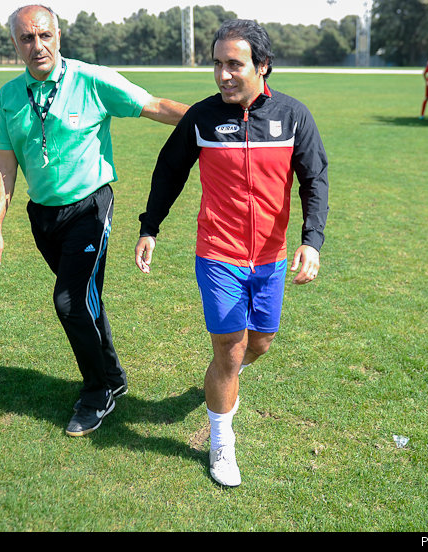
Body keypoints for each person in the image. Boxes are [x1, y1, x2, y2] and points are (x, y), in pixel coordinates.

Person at [0, 5, 189, 437]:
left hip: (90, 207)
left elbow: (153, 105)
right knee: (87, 300)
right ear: (15, 44)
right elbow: (5, 163)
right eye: (26, 38)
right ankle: (113, 375)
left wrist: (215, 121)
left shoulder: (92, 79)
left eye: (44, 35)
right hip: (44, 216)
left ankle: (98, 393)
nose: (37, 46)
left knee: (70, 302)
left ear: (59, 35)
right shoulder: (9, 96)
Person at [134, 20, 329, 486]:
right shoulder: (202, 117)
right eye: (217, 63)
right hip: (217, 253)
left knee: (258, 343)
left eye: (234, 64)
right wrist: (150, 227)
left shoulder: (293, 116)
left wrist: (311, 241)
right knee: (229, 346)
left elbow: (315, 179)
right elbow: (169, 170)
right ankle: (221, 441)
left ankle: (222, 380)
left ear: (262, 66)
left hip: (271, 257)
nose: (222, 74)